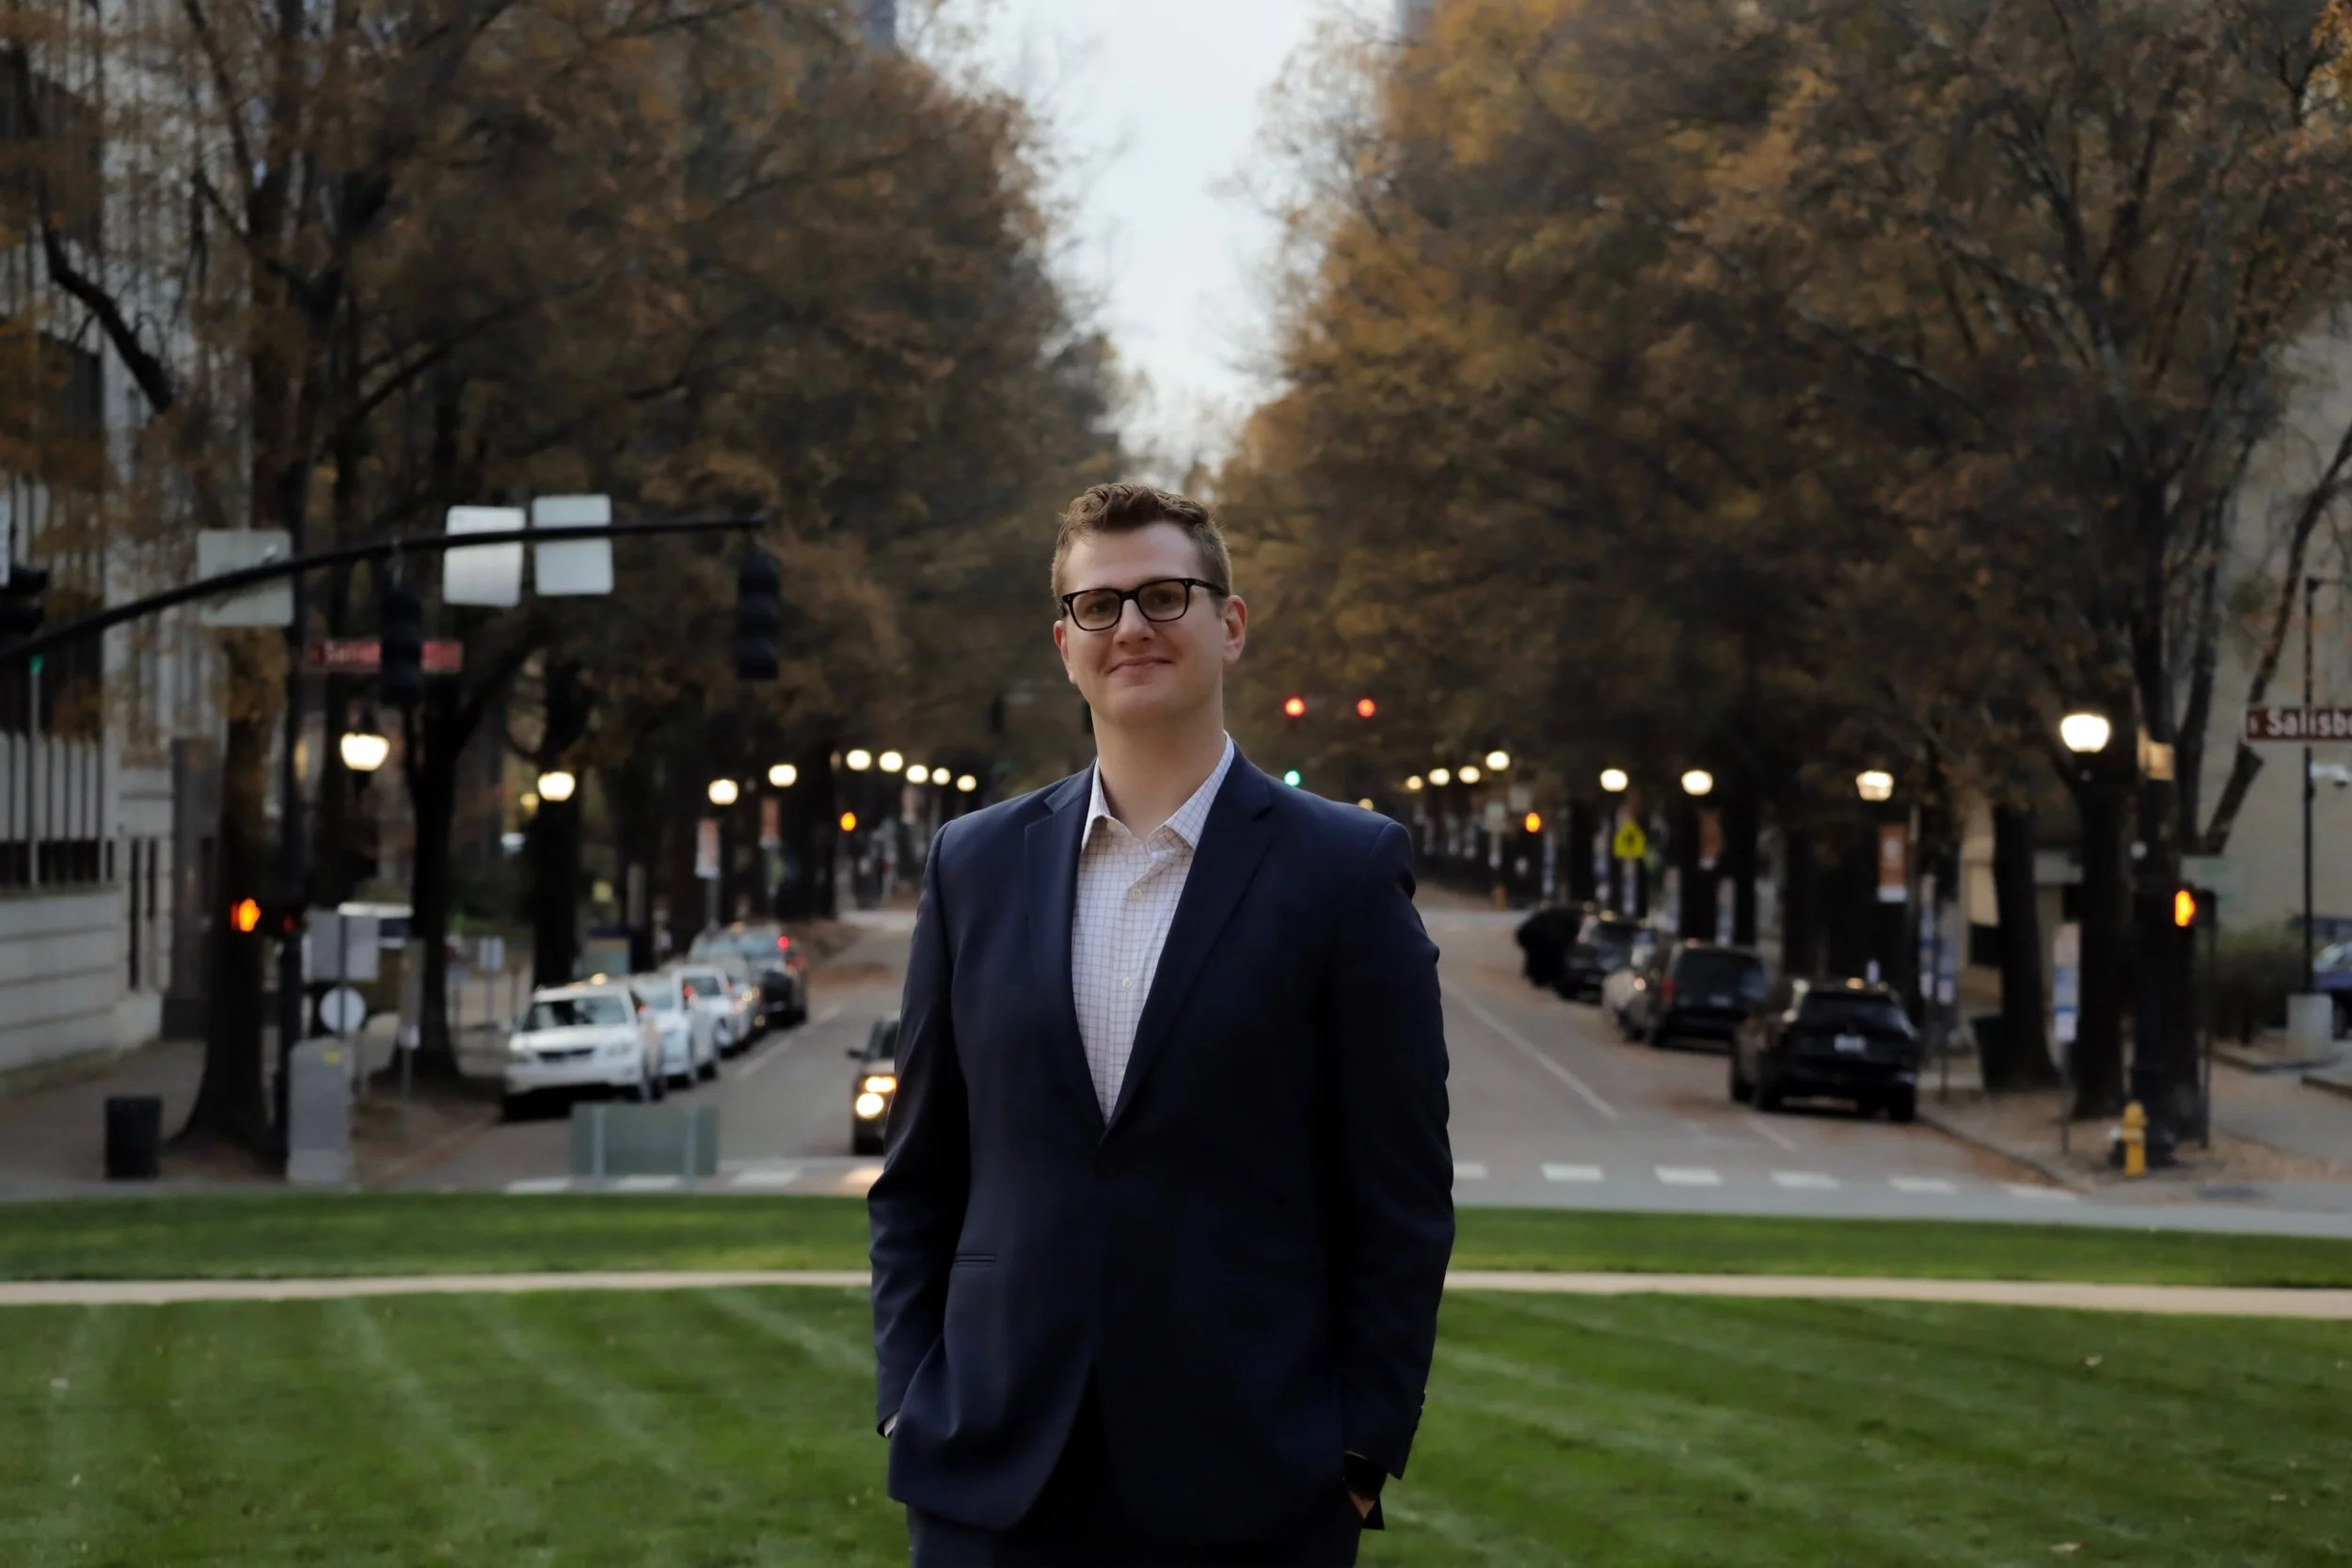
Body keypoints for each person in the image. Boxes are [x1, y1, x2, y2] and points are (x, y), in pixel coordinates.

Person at [869, 482, 1454, 1567]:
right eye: (1098, 605)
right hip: (990, 1473)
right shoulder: (973, 864)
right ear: (1065, 644)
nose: (1130, 625)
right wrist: (907, 1391)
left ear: (1229, 623)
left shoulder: (1344, 869)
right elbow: (920, 1172)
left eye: (1163, 595)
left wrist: (1359, 1450)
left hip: (1254, 1475)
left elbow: (1400, 1197)